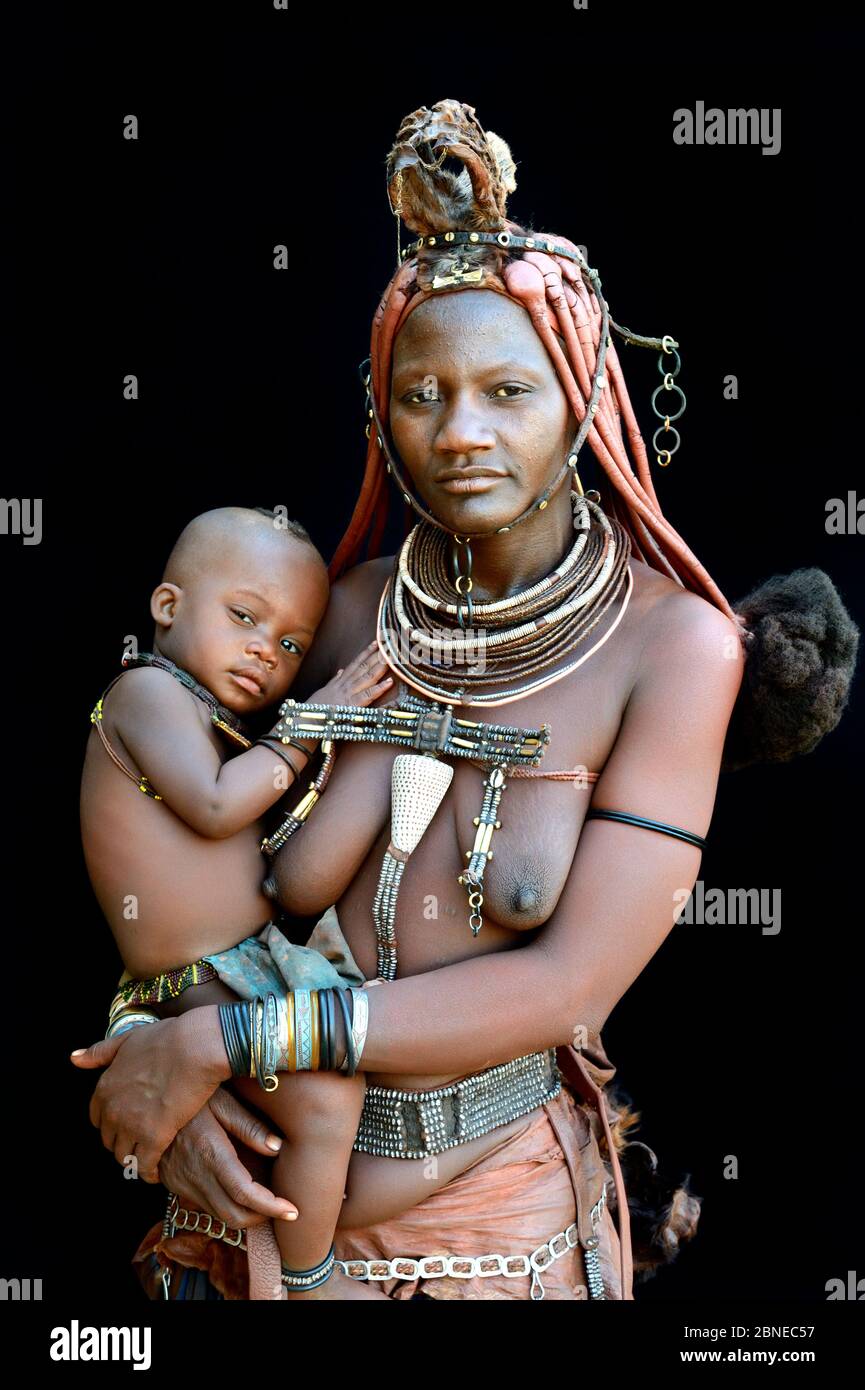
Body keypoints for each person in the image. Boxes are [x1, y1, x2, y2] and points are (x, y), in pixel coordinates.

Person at [71, 99, 858, 1302]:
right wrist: (154, 1055)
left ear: (587, 400)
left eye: (509, 390)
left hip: (506, 1241)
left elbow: (567, 986)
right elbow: (198, 878)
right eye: (422, 395)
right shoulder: (339, 617)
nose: (461, 432)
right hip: (251, 1216)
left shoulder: (678, 649)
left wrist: (220, 1044)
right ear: (381, 417)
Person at [80, 503, 400, 1300]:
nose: (266, 650)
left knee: (341, 1084)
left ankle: (302, 1255)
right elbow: (219, 806)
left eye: (291, 644)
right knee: (326, 1101)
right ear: (167, 607)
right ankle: (307, 1278)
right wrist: (309, 724)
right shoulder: (145, 694)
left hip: (243, 965)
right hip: (187, 980)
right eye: (244, 617)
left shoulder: (214, 718)